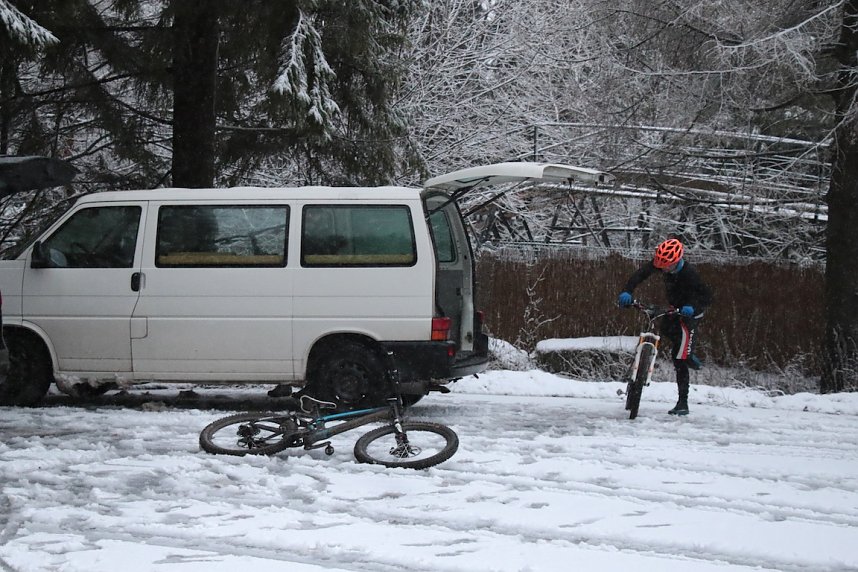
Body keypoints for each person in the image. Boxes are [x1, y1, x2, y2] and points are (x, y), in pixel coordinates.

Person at [617, 238, 713, 416]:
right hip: (673, 309)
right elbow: (640, 275)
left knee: (679, 358)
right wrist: (627, 291)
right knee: (665, 330)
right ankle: (639, 374)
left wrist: (692, 307)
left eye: (666, 266)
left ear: (676, 261)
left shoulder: (689, 274)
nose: (662, 268)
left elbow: (706, 297)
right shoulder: (661, 263)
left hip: (690, 314)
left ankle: (683, 402)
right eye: (660, 265)